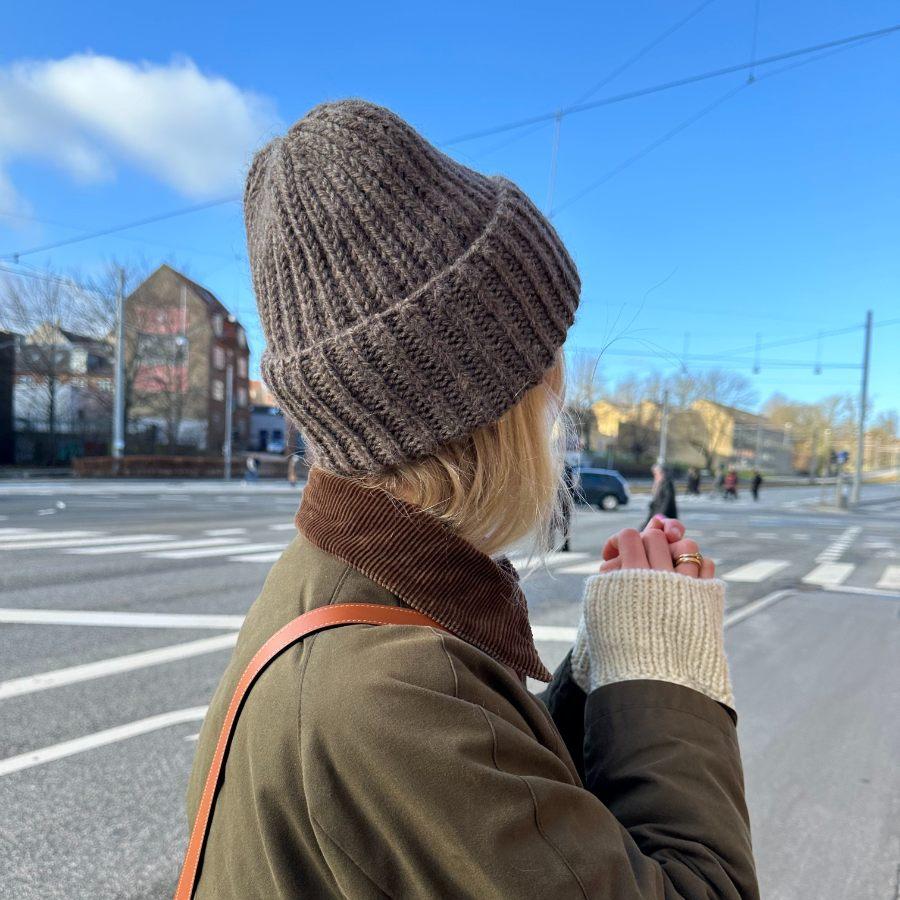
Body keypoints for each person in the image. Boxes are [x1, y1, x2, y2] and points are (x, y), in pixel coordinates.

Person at [183, 101, 758, 899]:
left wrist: (598, 682)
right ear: (490, 407)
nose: (560, 402)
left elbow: (488, 807)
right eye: (549, 369)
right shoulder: (388, 699)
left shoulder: (336, 587)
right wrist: (667, 683)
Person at [641, 462, 678, 529]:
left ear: (661, 473)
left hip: (664, 515)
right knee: (644, 529)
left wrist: (661, 514)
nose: (655, 476)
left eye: (655, 473)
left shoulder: (667, 483)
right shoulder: (660, 482)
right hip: (656, 513)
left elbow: (668, 500)